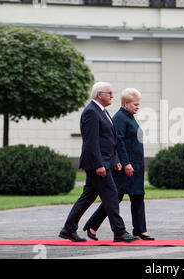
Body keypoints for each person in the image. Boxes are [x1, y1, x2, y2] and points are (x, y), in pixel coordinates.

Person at [58, 82, 139, 243]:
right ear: (99, 94)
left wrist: (115, 159)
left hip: (106, 161)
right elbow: (91, 142)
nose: (112, 96)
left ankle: (68, 229)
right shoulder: (91, 112)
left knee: (88, 197)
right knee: (111, 196)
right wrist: (99, 165)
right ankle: (119, 232)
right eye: (109, 93)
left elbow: (110, 139)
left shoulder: (102, 112)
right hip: (97, 164)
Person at [83, 88, 154, 241]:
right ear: (126, 103)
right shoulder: (120, 118)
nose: (137, 107)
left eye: (138, 104)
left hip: (135, 166)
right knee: (115, 198)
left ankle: (140, 230)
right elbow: (118, 142)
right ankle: (92, 225)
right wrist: (125, 163)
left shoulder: (129, 116)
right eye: (135, 104)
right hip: (125, 167)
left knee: (137, 197)